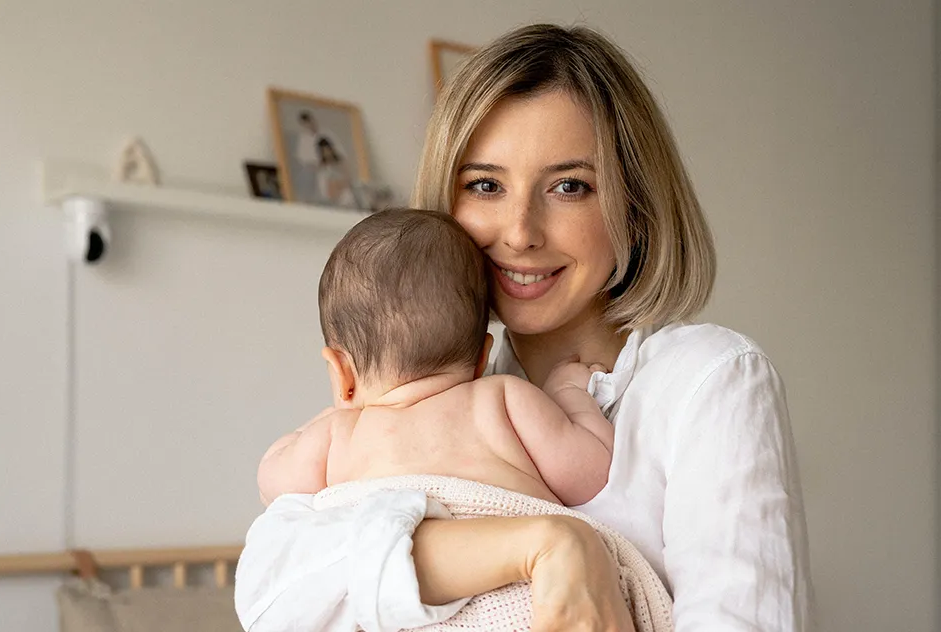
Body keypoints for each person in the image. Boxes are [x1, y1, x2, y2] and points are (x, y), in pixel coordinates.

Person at [253, 23, 813, 632]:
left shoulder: (709, 382)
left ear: (634, 205)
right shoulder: (432, 402)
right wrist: (548, 544)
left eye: (570, 187)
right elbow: (273, 588)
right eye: (485, 185)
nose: (520, 232)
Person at [238, 208, 621, 631]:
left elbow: (273, 484)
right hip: (524, 606)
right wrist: (568, 392)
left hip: (396, 601)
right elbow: (589, 472)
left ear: (341, 373)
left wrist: (312, 427)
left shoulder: (338, 434)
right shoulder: (503, 399)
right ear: (482, 356)